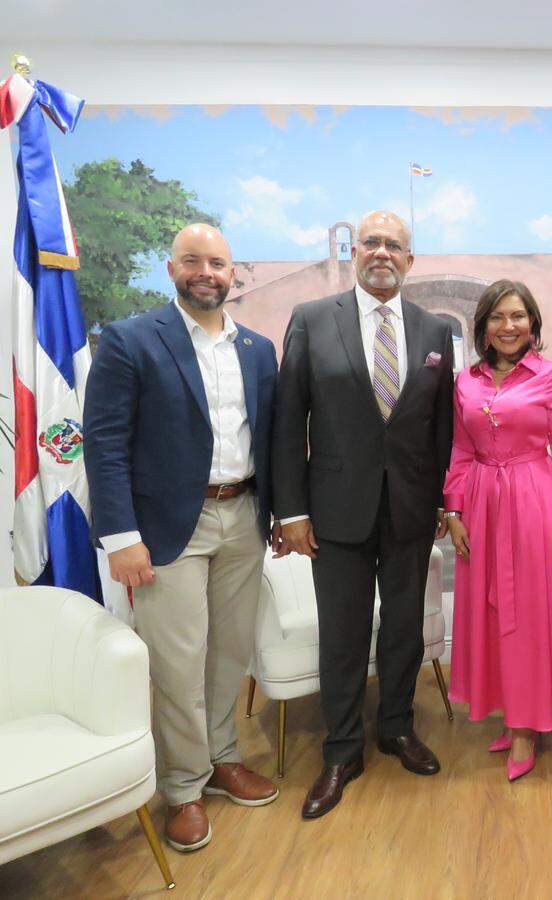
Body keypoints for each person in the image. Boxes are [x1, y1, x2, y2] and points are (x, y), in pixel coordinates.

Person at [84, 224, 280, 853]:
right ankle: (184, 788)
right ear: (172, 269)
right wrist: (121, 536)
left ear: (233, 273)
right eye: (193, 261)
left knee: (229, 652)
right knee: (177, 662)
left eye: (217, 263)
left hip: (244, 515)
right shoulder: (130, 340)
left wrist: (280, 514)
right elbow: (105, 442)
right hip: (169, 527)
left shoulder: (256, 348)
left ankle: (222, 759)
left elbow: (270, 438)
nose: (206, 272)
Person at [273, 211, 454, 819]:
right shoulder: (311, 319)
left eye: (394, 245)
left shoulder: (434, 331)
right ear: (354, 252)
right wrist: (291, 509)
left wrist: (438, 502)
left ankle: (397, 728)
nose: (381, 252)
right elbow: (287, 422)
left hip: (408, 511)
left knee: (403, 628)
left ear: (410, 258)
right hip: (334, 513)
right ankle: (342, 749)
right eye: (371, 242)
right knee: (344, 635)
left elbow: (440, 429)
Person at [443, 279, 552, 782]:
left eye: (518, 317)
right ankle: (510, 710)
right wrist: (454, 510)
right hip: (482, 505)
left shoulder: (551, 377)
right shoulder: (466, 381)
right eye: (498, 318)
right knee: (491, 612)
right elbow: (460, 450)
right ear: (483, 326)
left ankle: (528, 727)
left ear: (533, 325)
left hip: (534, 503)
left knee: (529, 615)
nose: (509, 327)